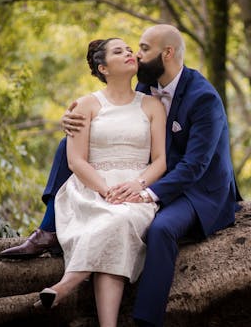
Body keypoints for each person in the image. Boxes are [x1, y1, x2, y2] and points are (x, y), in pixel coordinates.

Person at [1, 24, 241, 326]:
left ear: (166, 54)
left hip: (197, 189)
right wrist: (71, 120)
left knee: (161, 229)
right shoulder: (144, 86)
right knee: (68, 145)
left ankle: (145, 319)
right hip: (151, 180)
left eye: (142, 49)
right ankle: (48, 228)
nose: (135, 55)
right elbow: (113, 115)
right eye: (129, 50)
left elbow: (195, 165)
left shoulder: (202, 97)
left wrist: (145, 191)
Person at [32, 37, 167, 327]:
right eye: (119, 52)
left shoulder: (152, 106)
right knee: (114, 224)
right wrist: (105, 190)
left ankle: (66, 286)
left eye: (130, 50)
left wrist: (138, 185)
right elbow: (75, 161)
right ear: (103, 67)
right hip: (90, 190)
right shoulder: (85, 105)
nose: (129, 53)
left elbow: (160, 161)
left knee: (119, 222)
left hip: (134, 191)